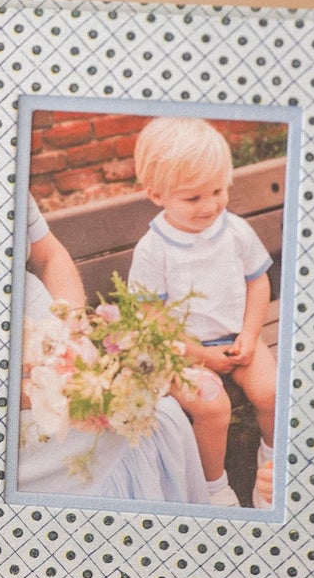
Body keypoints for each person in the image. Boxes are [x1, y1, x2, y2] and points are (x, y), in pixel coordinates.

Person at [16, 190, 209, 506]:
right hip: (22, 411)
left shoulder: (10, 187)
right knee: (141, 423)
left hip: (66, 362)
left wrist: (73, 328)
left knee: (159, 415)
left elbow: (50, 256)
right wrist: (42, 390)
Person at [127, 116, 277, 507]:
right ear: (157, 195)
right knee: (213, 405)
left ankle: (271, 468)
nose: (210, 206)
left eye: (217, 191)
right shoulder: (153, 248)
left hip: (237, 337)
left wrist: (249, 334)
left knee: (273, 392)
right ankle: (214, 488)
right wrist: (201, 355)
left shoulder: (236, 231)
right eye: (193, 198)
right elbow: (151, 321)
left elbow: (256, 282)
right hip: (180, 352)